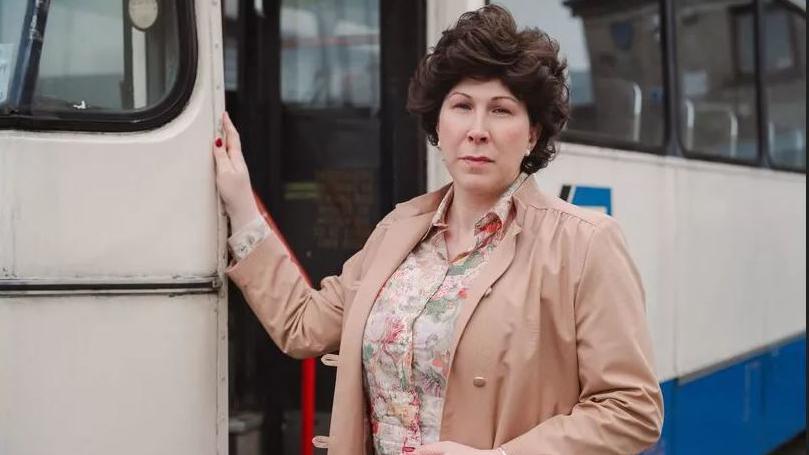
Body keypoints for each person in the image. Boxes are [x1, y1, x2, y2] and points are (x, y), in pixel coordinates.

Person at [213, 5, 663, 455]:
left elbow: (631, 408)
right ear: (438, 123)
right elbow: (303, 325)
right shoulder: (398, 230)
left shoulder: (584, 243)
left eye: (502, 110)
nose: (477, 130)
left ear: (532, 134)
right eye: (462, 106)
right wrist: (240, 203)